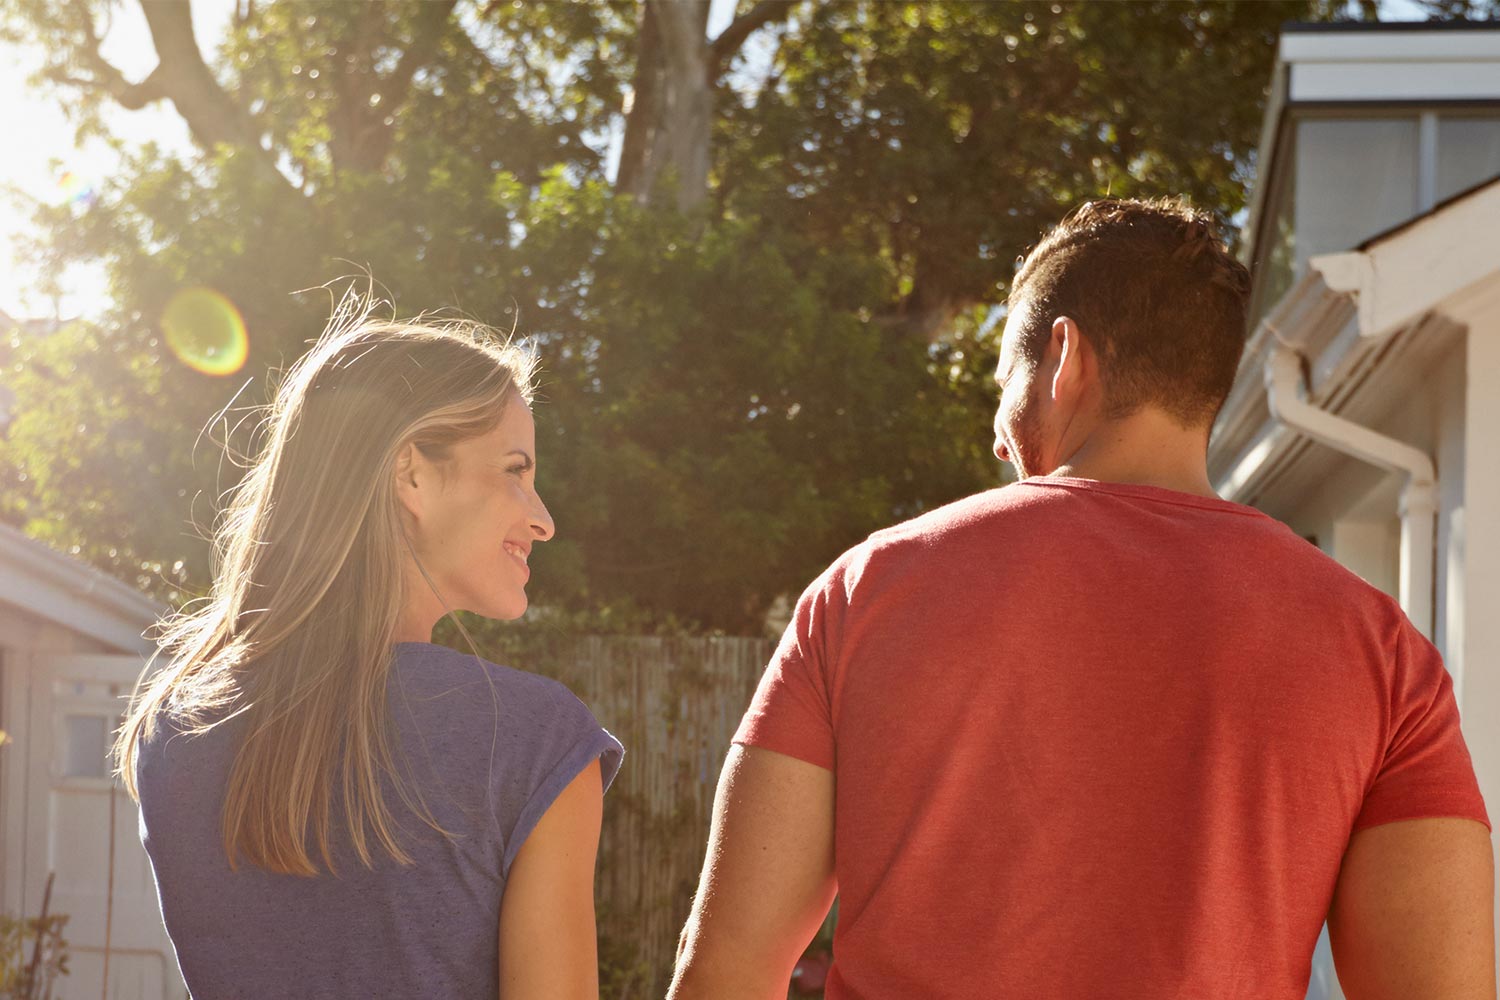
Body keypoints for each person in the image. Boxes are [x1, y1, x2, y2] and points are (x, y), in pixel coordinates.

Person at [669, 198, 1494, 999]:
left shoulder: (865, 591)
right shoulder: (1381, 650)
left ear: (1065, 360)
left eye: (1005, 384)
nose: (999, 433)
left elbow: (722, 977)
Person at [115, 295, 623, 999]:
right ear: (411, 474)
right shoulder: (533, 743)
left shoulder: (175, 731)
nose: (543, 520)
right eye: (515, 470)